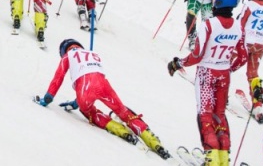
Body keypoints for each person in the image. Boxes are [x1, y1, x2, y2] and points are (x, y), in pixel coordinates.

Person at [36, 39, 170, 159]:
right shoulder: (91, 53)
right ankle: (153, 140)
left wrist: (48, 98)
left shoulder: (67, 56)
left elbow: (59, 77)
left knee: (89, 111)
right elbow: (91, 76)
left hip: (84, 91)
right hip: (104, 86)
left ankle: (119, 130)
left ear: (64, 50)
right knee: (123, 112)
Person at [167, 0, 247, 166]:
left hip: (206, 73)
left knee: (205, 114)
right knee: (220, 114)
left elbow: (197, 55)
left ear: (219, 1)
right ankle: (223, 158)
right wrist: (228, 67)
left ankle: (211, 157)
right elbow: (242, 57)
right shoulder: (238, 27)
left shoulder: (209, 25)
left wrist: (178, 63)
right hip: (223, 74)